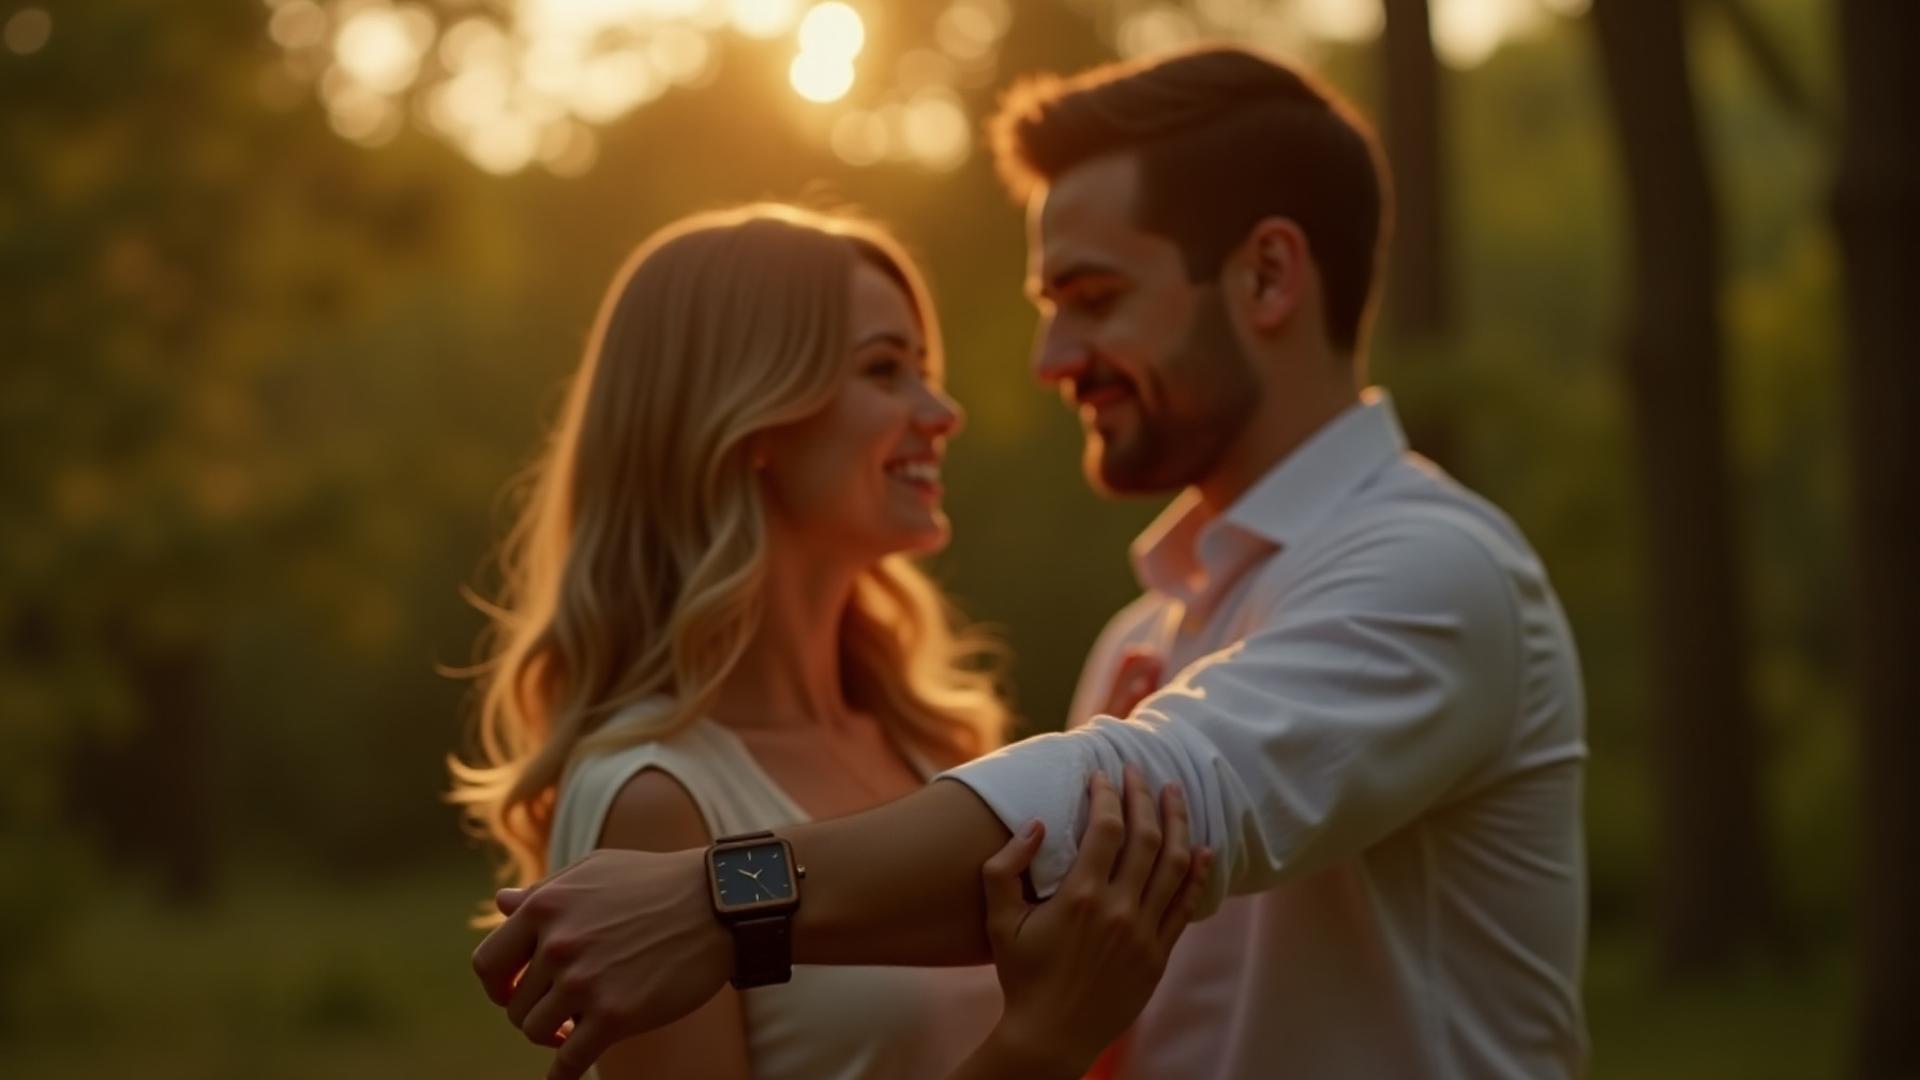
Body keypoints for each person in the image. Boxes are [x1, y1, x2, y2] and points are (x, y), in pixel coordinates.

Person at [473, 45, 1590, 1080]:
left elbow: (1181, 792)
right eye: (1047, 307)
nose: (1049, 361)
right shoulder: (1141, 647)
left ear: (1265, 278)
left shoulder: (1433, 569)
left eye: (1092, 300)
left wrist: (717, 900)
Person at [448, 204, 1212, 1080]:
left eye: (923, 369)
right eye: (885, 370)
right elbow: (1044, 1032)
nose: (942, 411)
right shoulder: (656, 802)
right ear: (751, 417)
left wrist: (1103, 819)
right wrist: (1040, 1044)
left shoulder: (937, 743)